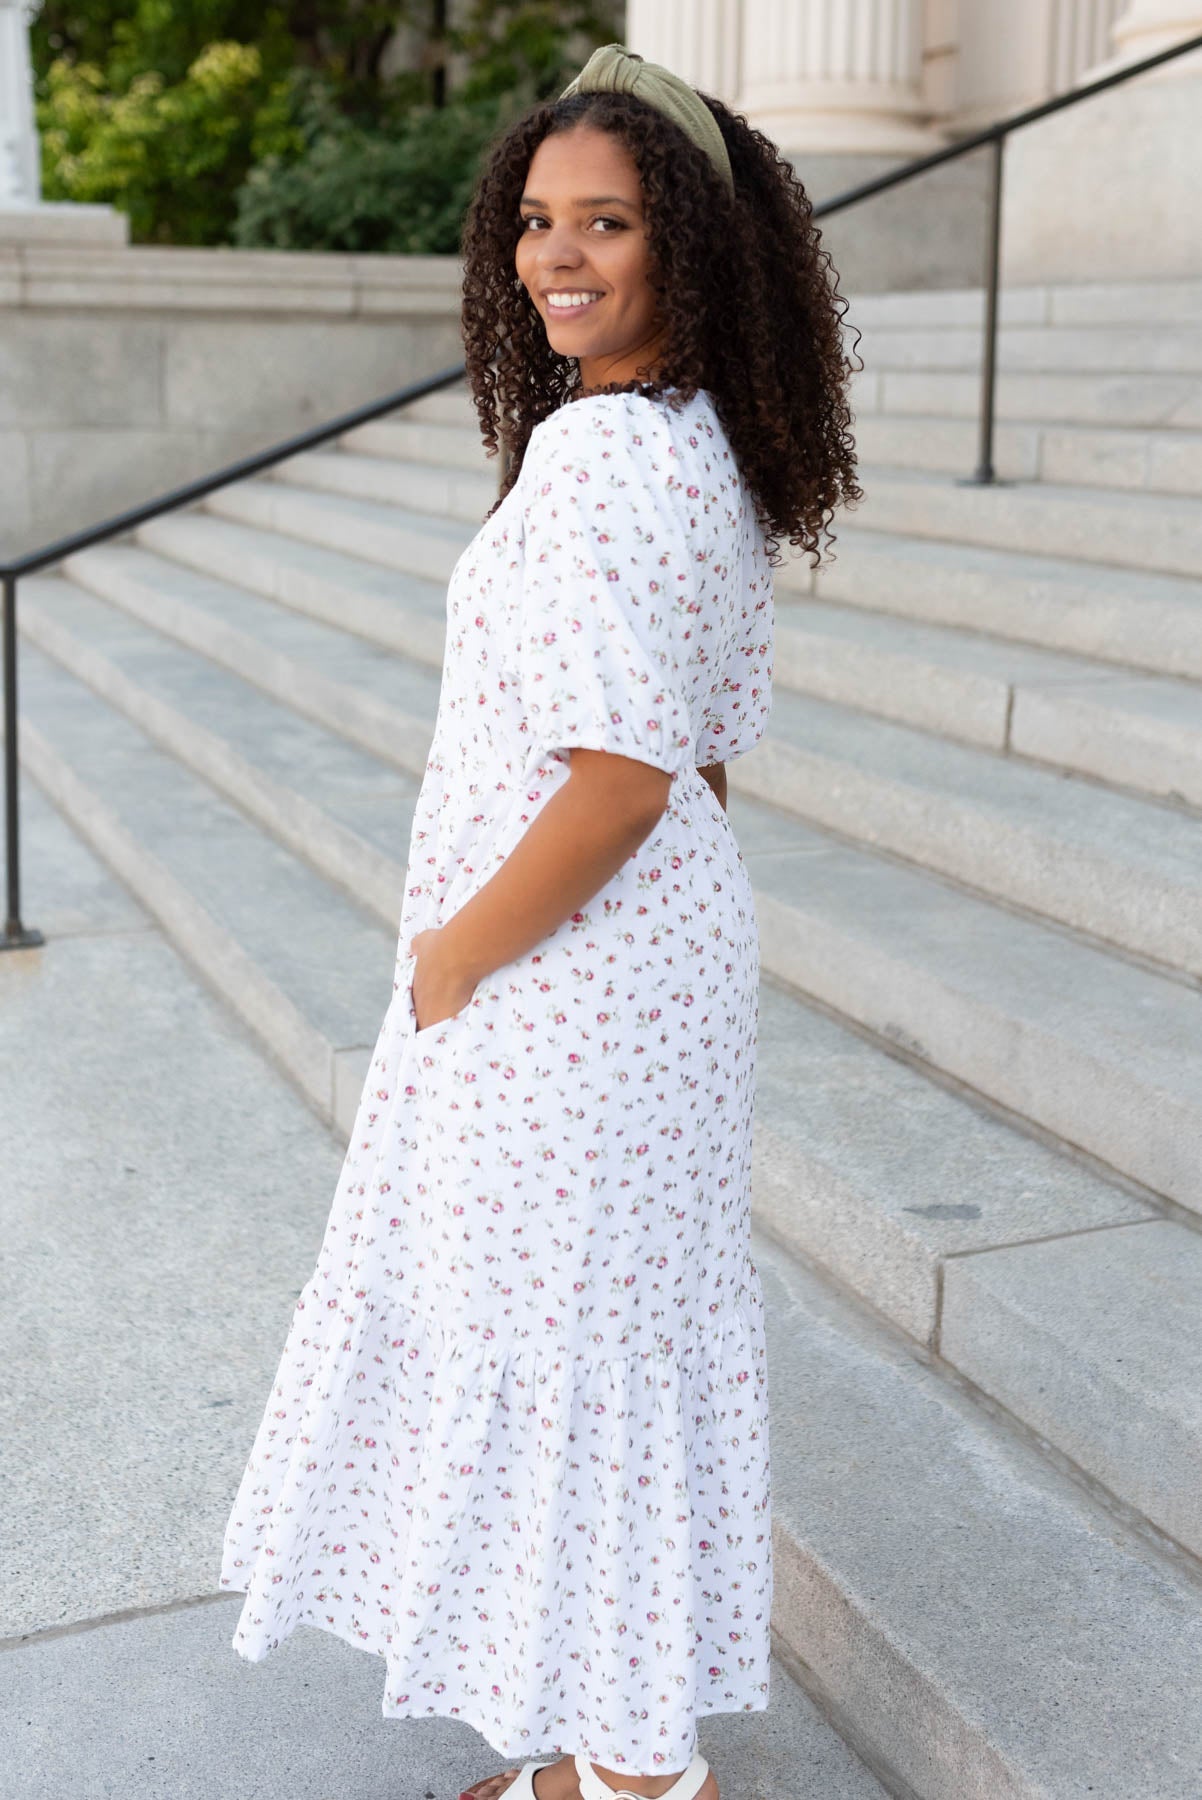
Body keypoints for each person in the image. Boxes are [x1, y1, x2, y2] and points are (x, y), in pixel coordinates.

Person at [219, 41, 860, 1800]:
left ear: (691, 249)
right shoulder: (694, 446)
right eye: (533, 221)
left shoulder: (600, 466)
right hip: (645, 974)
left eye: (608, 221)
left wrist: (453, 956)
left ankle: (638, 1773)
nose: (554, 255)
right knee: (611, 1351)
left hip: (566, 979)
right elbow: (700, 772)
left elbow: (626, 779)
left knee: (563, 1352)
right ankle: (610, 1748)